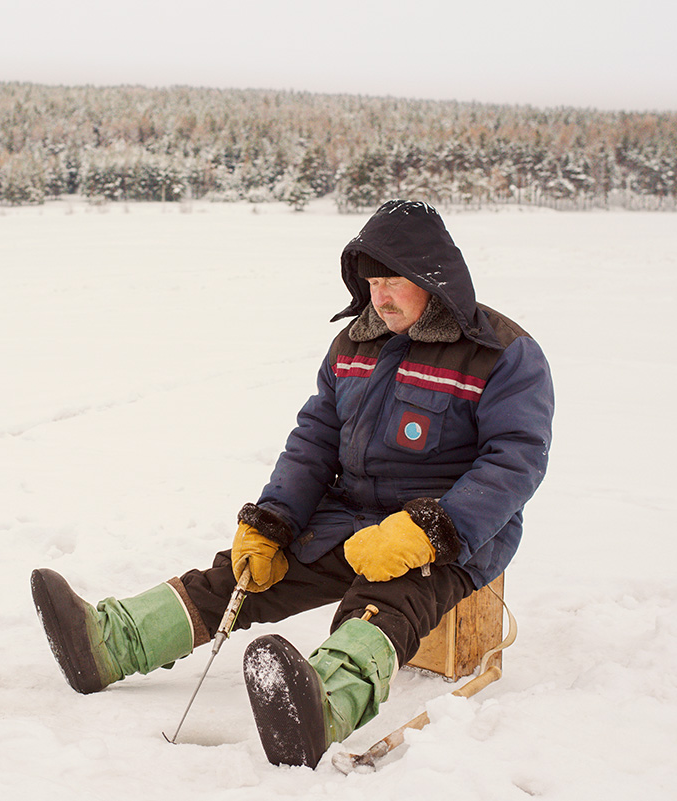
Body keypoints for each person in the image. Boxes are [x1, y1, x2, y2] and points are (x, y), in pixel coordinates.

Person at [31, 199, 554, 768]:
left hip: (448, 537)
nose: (380, 296)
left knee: (384, 606)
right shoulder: (355, 343)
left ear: (434, 277)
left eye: (394, 280)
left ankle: (321, 706)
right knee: (242, 575)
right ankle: (109, 644)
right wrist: (275, 520)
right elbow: (314, 440)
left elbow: (515, 461)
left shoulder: (502, 354)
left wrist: (432, 530)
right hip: (349, 516)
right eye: (373, 280)